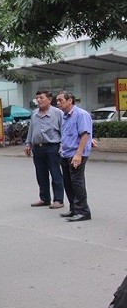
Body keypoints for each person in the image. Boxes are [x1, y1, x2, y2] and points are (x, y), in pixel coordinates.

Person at [55, 91, 93, 222]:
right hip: (65, 153)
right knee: (68, 183)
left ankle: (83, 212)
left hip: (76, 154)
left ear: (70, 100)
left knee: (77, 183)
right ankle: (73, 209)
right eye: (57, 101)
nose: (58, 103)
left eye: (60, 100)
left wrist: (78, 154)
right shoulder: (65, 116)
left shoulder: (81, 114)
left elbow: (85, 134)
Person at [24, 90, 64, 209]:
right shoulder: (35, 113)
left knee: (55, 173)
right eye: (37, 98)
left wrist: (63, 146)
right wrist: (28, 144)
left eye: (41, 98)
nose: (39, 100)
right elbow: (31, 129)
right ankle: (44, 198)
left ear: (49, 99)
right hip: (37, 148)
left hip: (52, 147)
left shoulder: (58, 113)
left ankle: (58, 200)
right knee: (41, 174)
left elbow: (64, 130)